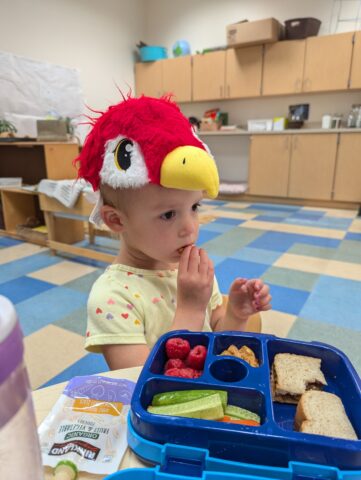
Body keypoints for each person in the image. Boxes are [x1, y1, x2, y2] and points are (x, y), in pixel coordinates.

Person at [75, 95, 271, 370]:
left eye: (194, 206)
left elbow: (218, 342)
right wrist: (190, 310)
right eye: (168, 214)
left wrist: (236, 315)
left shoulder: (190, 273)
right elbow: (142, 384)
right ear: (116, 221)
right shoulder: (112, 296)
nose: (191, 227)